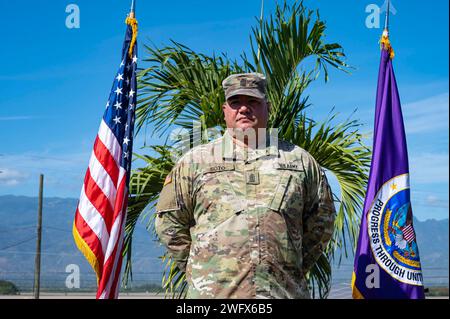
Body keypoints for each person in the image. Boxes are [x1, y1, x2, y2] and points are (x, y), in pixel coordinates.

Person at [154, 72, 336, 299]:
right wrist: (203, 271)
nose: (243, 109)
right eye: (235, 102)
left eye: (252, 102)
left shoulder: (299, 161)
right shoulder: (194, 162)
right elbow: (169, 224)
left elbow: (322, 222)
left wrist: (289, 267)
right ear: (224, 111)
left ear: (267, 107)